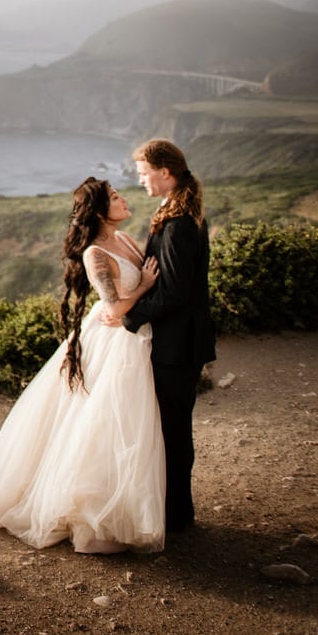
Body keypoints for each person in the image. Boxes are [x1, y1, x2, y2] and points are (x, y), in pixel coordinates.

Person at [0, 177, 166, 553]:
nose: (123, 200)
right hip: (114, 343)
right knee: (105, 424)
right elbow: (113, 309)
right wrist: (144, 286)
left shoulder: (122, 239)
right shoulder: (94, 254)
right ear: (101, 210)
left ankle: (122, 510)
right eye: (116, 198)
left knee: (122, 426)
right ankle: (92, 513)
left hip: (134, 339)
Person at [103, 138, 216, 535]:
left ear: (165, 172)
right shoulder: (178, 211)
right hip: (177, 341)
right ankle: (173, 512)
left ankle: (177, 517)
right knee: (170, 427)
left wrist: (130, 317)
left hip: (177, 345)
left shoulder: (180, 223)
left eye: (143, 172)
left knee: (173, 430)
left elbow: (174, 292)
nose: (139, 180)